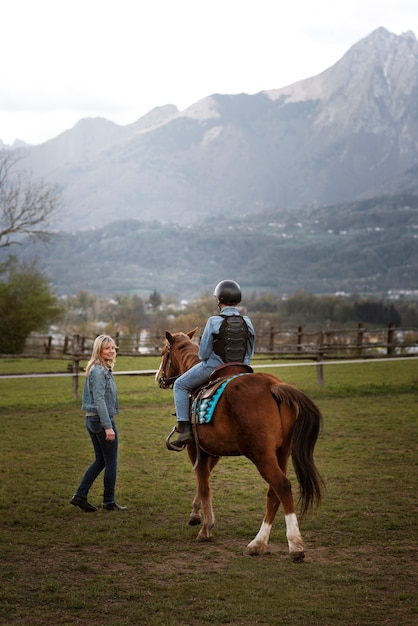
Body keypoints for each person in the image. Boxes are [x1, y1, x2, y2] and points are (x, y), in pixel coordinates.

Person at [168, 279, 255, 450]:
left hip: (215, 368)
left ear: (219, 300)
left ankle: (185, 430)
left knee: (179, 385)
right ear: (238, 299)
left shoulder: (214, 321)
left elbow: (203, 354)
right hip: (243, 370)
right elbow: (249, 352)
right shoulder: (248, 322)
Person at [70, 334, 126, 512]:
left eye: (113, 347)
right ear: (99, 350)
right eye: (107, 348)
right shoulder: (99, 371)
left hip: (93, 419)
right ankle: (108, 501)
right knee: (111, 462)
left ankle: (80, 496)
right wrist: (108, 426)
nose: (111, 351)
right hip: (101, 420)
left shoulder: (101, 369)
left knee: (100, 460)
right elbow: (100, 400)